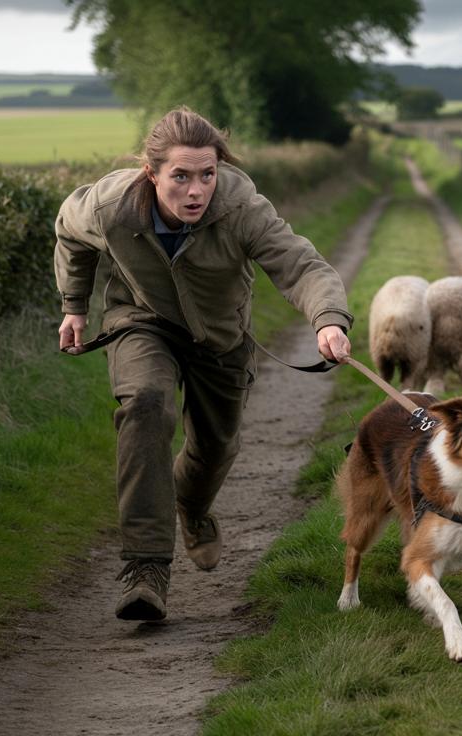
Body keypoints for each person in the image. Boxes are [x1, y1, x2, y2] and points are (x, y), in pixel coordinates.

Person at [54, 107, 353, 621]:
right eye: (181, 177)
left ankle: (191, 507)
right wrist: (74, 305)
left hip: (221, 337)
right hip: (142, 321)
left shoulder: (240, 207)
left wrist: (327, 320)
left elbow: (301, 264)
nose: (196, 191)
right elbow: (68, 231)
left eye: (207, 175)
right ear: (152, 174)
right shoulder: (110, 206)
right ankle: (146, 569)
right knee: (147, 405)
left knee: (215, 447)